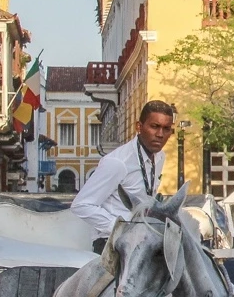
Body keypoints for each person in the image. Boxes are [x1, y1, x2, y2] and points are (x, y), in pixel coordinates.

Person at [71, 101, 176, 250]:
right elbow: (81, 205)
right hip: (111, 243)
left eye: (166, 129)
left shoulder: (160, 157)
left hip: (142, 240)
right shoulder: (117, 162)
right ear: (139, 127)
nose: (160, 135)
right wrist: (123, 226)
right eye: (154, 127)